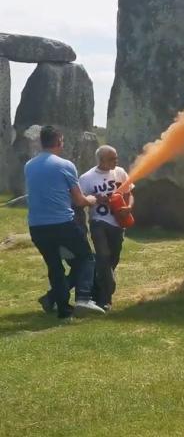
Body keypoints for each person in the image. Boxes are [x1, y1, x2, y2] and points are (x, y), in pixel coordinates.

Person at [26, 125, 105, 318]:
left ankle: (63, 309)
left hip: (36, 226)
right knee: (86, 258)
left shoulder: (29, 165)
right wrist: (92, 200)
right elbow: (79, 200)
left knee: (55, 266)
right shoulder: (65, 165)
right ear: (59, 140)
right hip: (62, 223)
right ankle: (84, 299)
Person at [79, 145, 134, 311]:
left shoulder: (120, 172)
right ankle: (105, 298)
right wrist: (95, 197)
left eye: (116, 157)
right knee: (103, 257)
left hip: (118, 223)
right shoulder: (87, 177)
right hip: (98, 222)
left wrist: (129, 207)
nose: (116, 161)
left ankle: (97, 292)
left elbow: (129, 193)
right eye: (112, 158)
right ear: (101, 160)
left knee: (112, 260)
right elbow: (80, 200)